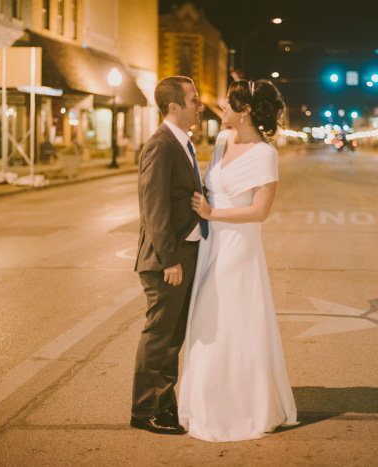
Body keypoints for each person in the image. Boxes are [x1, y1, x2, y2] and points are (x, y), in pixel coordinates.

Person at [179, 79, 298, 442]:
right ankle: (204, 400)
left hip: (238, 245)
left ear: (245, 110)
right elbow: (208, 187)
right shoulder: (221, 140)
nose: (222, 107)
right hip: (211, 244)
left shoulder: (265, 154)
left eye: (228, 103)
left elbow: (259, 211)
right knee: (205, 322)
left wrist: (213, 214)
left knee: (228, 320)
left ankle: (239, 407)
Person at [131, 76, 206, 435]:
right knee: (159, 336)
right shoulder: (161, 145)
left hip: (184, 253)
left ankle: (164, 404)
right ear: (174, 106)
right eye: (194, 100)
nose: (199, 105)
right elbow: (154, 207)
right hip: (167, 259)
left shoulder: (183, 142)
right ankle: (143, 411)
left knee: (172, 337)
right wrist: (170, 259)